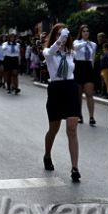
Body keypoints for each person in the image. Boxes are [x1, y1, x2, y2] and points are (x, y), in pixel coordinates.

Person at [41, 24, 81, 181]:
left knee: (72, 128)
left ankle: (75, 167)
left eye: (63, 35)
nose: (62, 38)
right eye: (58, 34)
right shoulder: (49, 52)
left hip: (70, 88)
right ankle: (47, 155)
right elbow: (50, 51)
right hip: (56, 89)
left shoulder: (71, 52)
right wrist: (59, 41)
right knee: (54, 128)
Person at [73, 25, 97, 125]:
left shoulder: (93, 44)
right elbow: (76, 48)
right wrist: (84, 43)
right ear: (81, 33)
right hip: (79, 67)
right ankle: (79, 115)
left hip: (88, 68)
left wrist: (93, 69)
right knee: (78, 94)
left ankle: (91, 117)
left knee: (89, 93)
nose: (86, 33)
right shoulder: (76, 42)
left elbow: (93, 58)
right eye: (84, 31)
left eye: (87, 31)